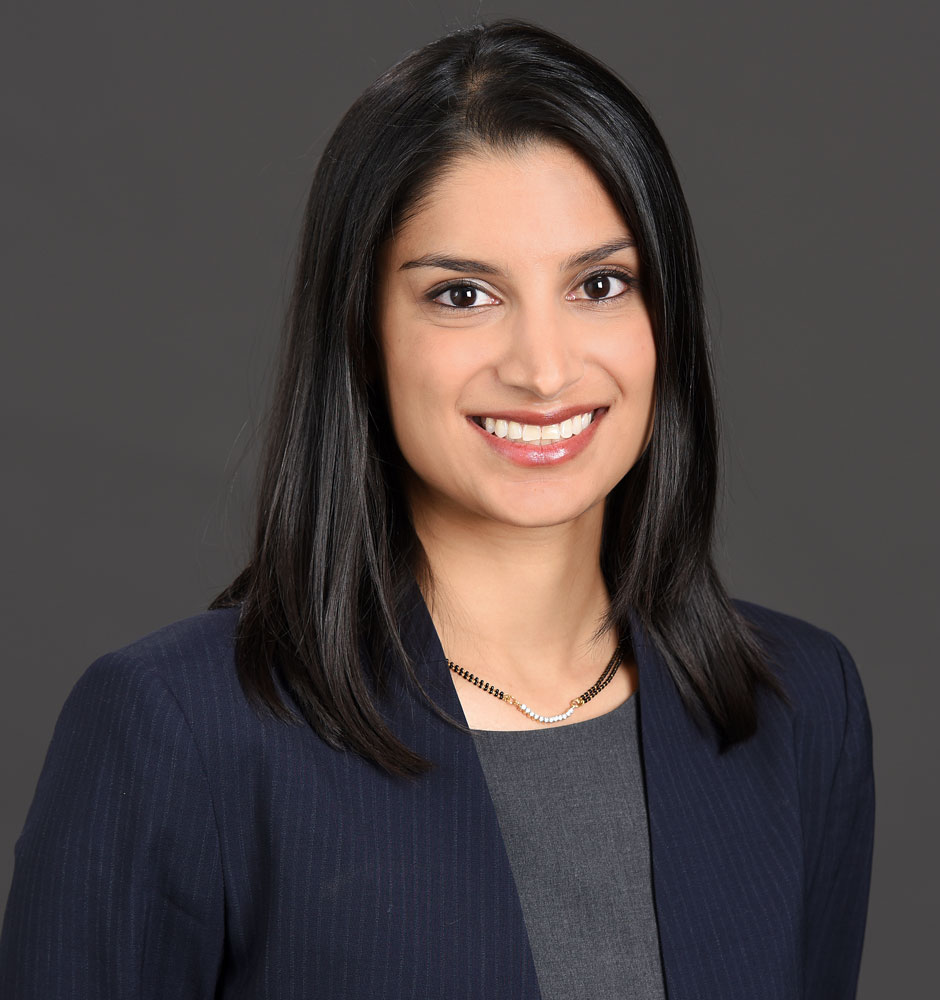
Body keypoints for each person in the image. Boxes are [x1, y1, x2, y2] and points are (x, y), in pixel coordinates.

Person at [0, 19, 875, 1000]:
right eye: (463, 295)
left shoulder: (799, 706)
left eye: (600, 284)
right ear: (362, 331)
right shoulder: (180, 729)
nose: (543, 369)